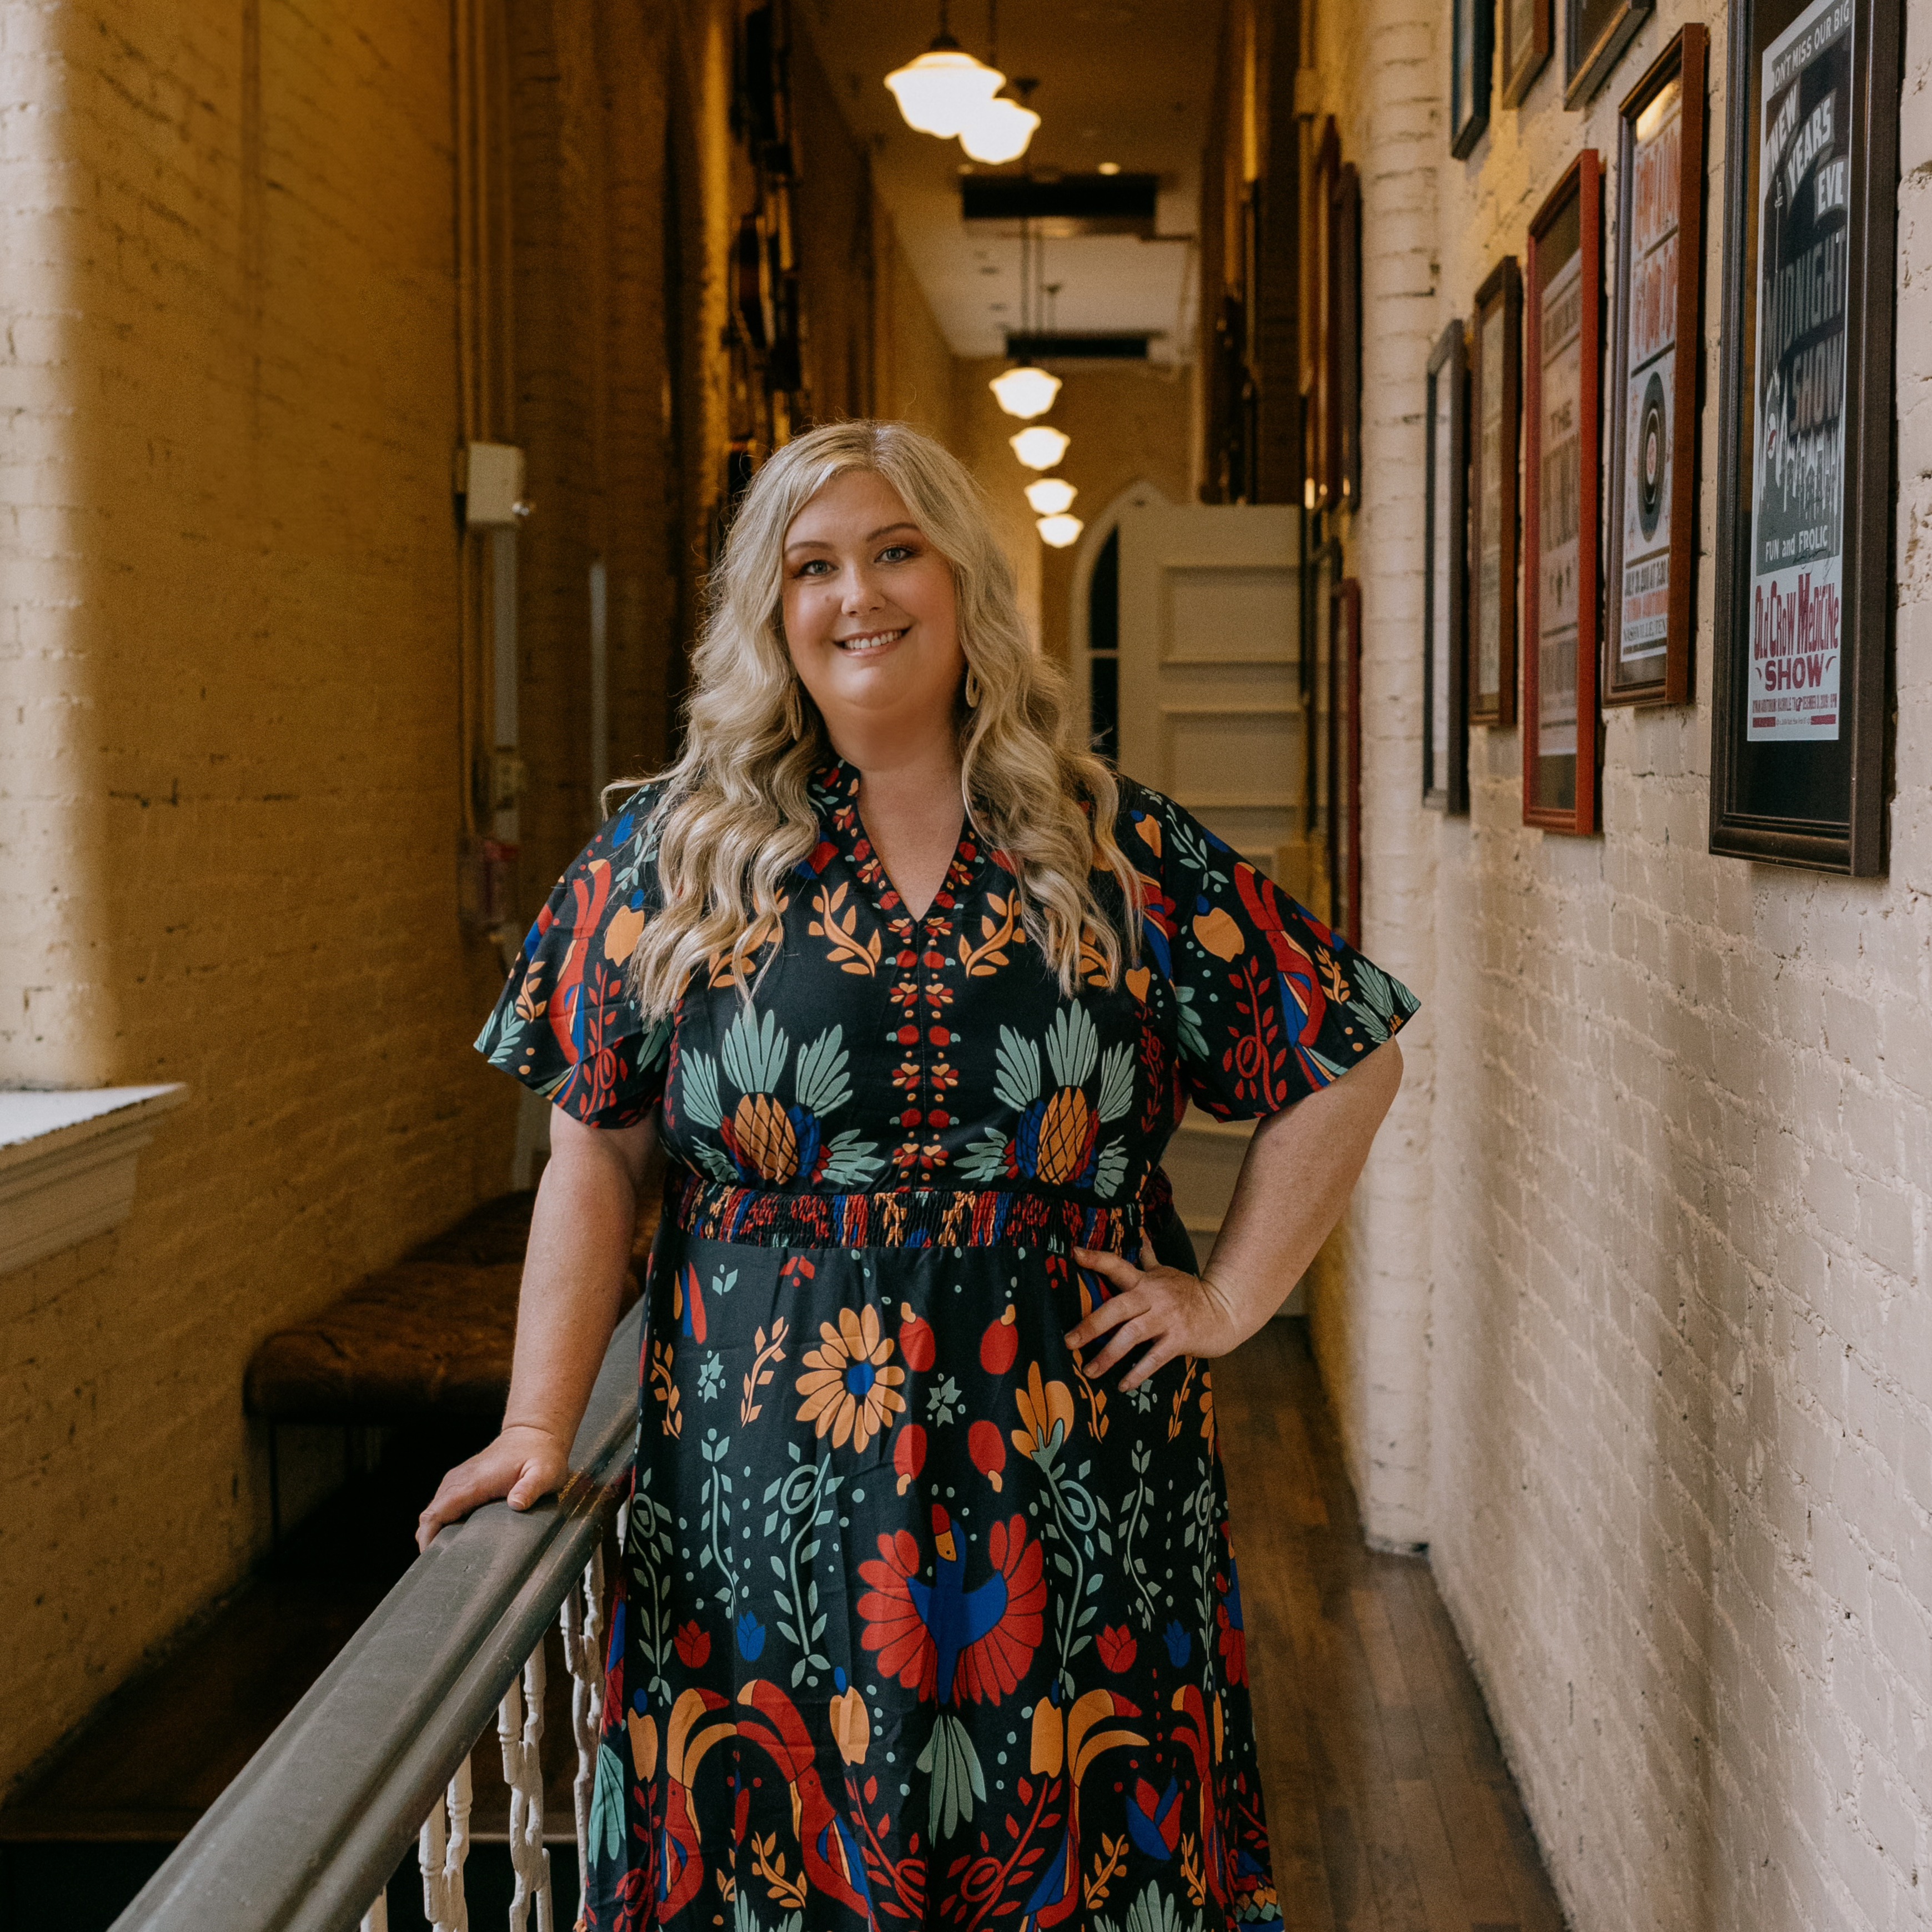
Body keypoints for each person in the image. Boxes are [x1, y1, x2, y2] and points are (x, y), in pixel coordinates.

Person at [421, 419, 1416, 1930]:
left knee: (1074, 1858)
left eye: (896, 551)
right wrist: (536, 1424)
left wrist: (1226, 1301)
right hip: (768, 1489)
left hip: (1073, 1473)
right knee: (782, 1860)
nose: (858, 595)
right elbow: (596, 1152)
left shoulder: (1105, 845)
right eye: (812, 566)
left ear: (962, 582)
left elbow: (1344, 1054)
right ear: (771, 609)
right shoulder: (676, 859)